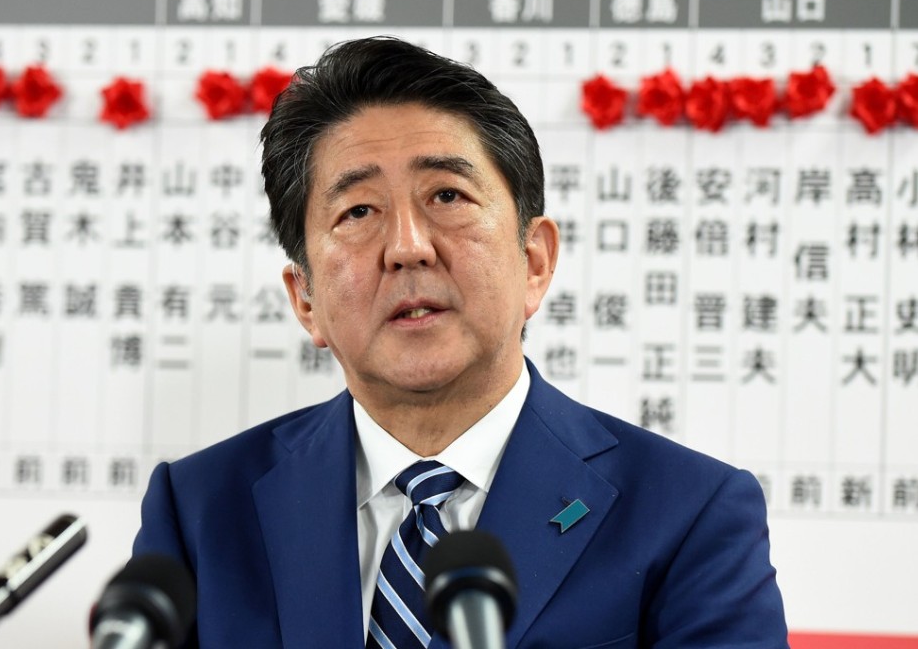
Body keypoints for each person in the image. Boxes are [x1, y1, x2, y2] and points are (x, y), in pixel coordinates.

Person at [133, 36, 789, 648]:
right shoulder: (200, 512)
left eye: (446, 195)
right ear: (305, 298)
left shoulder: (689, 514)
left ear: (534, 261)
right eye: (358, 211)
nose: (407, 247)